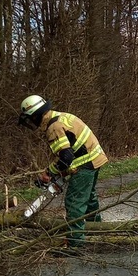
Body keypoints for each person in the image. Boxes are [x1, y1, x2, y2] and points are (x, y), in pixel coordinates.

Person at [18, 95, 108, 247]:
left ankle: (75, 244)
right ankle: (97, 228)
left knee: (74, 203)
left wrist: (49, 173)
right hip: (95, 157)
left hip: (85, 162)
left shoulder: (53, 127)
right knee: (89, 197)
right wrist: (56, 171)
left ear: (36, 116)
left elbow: (66, 157)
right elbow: (70, 151)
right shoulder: (61, 116)